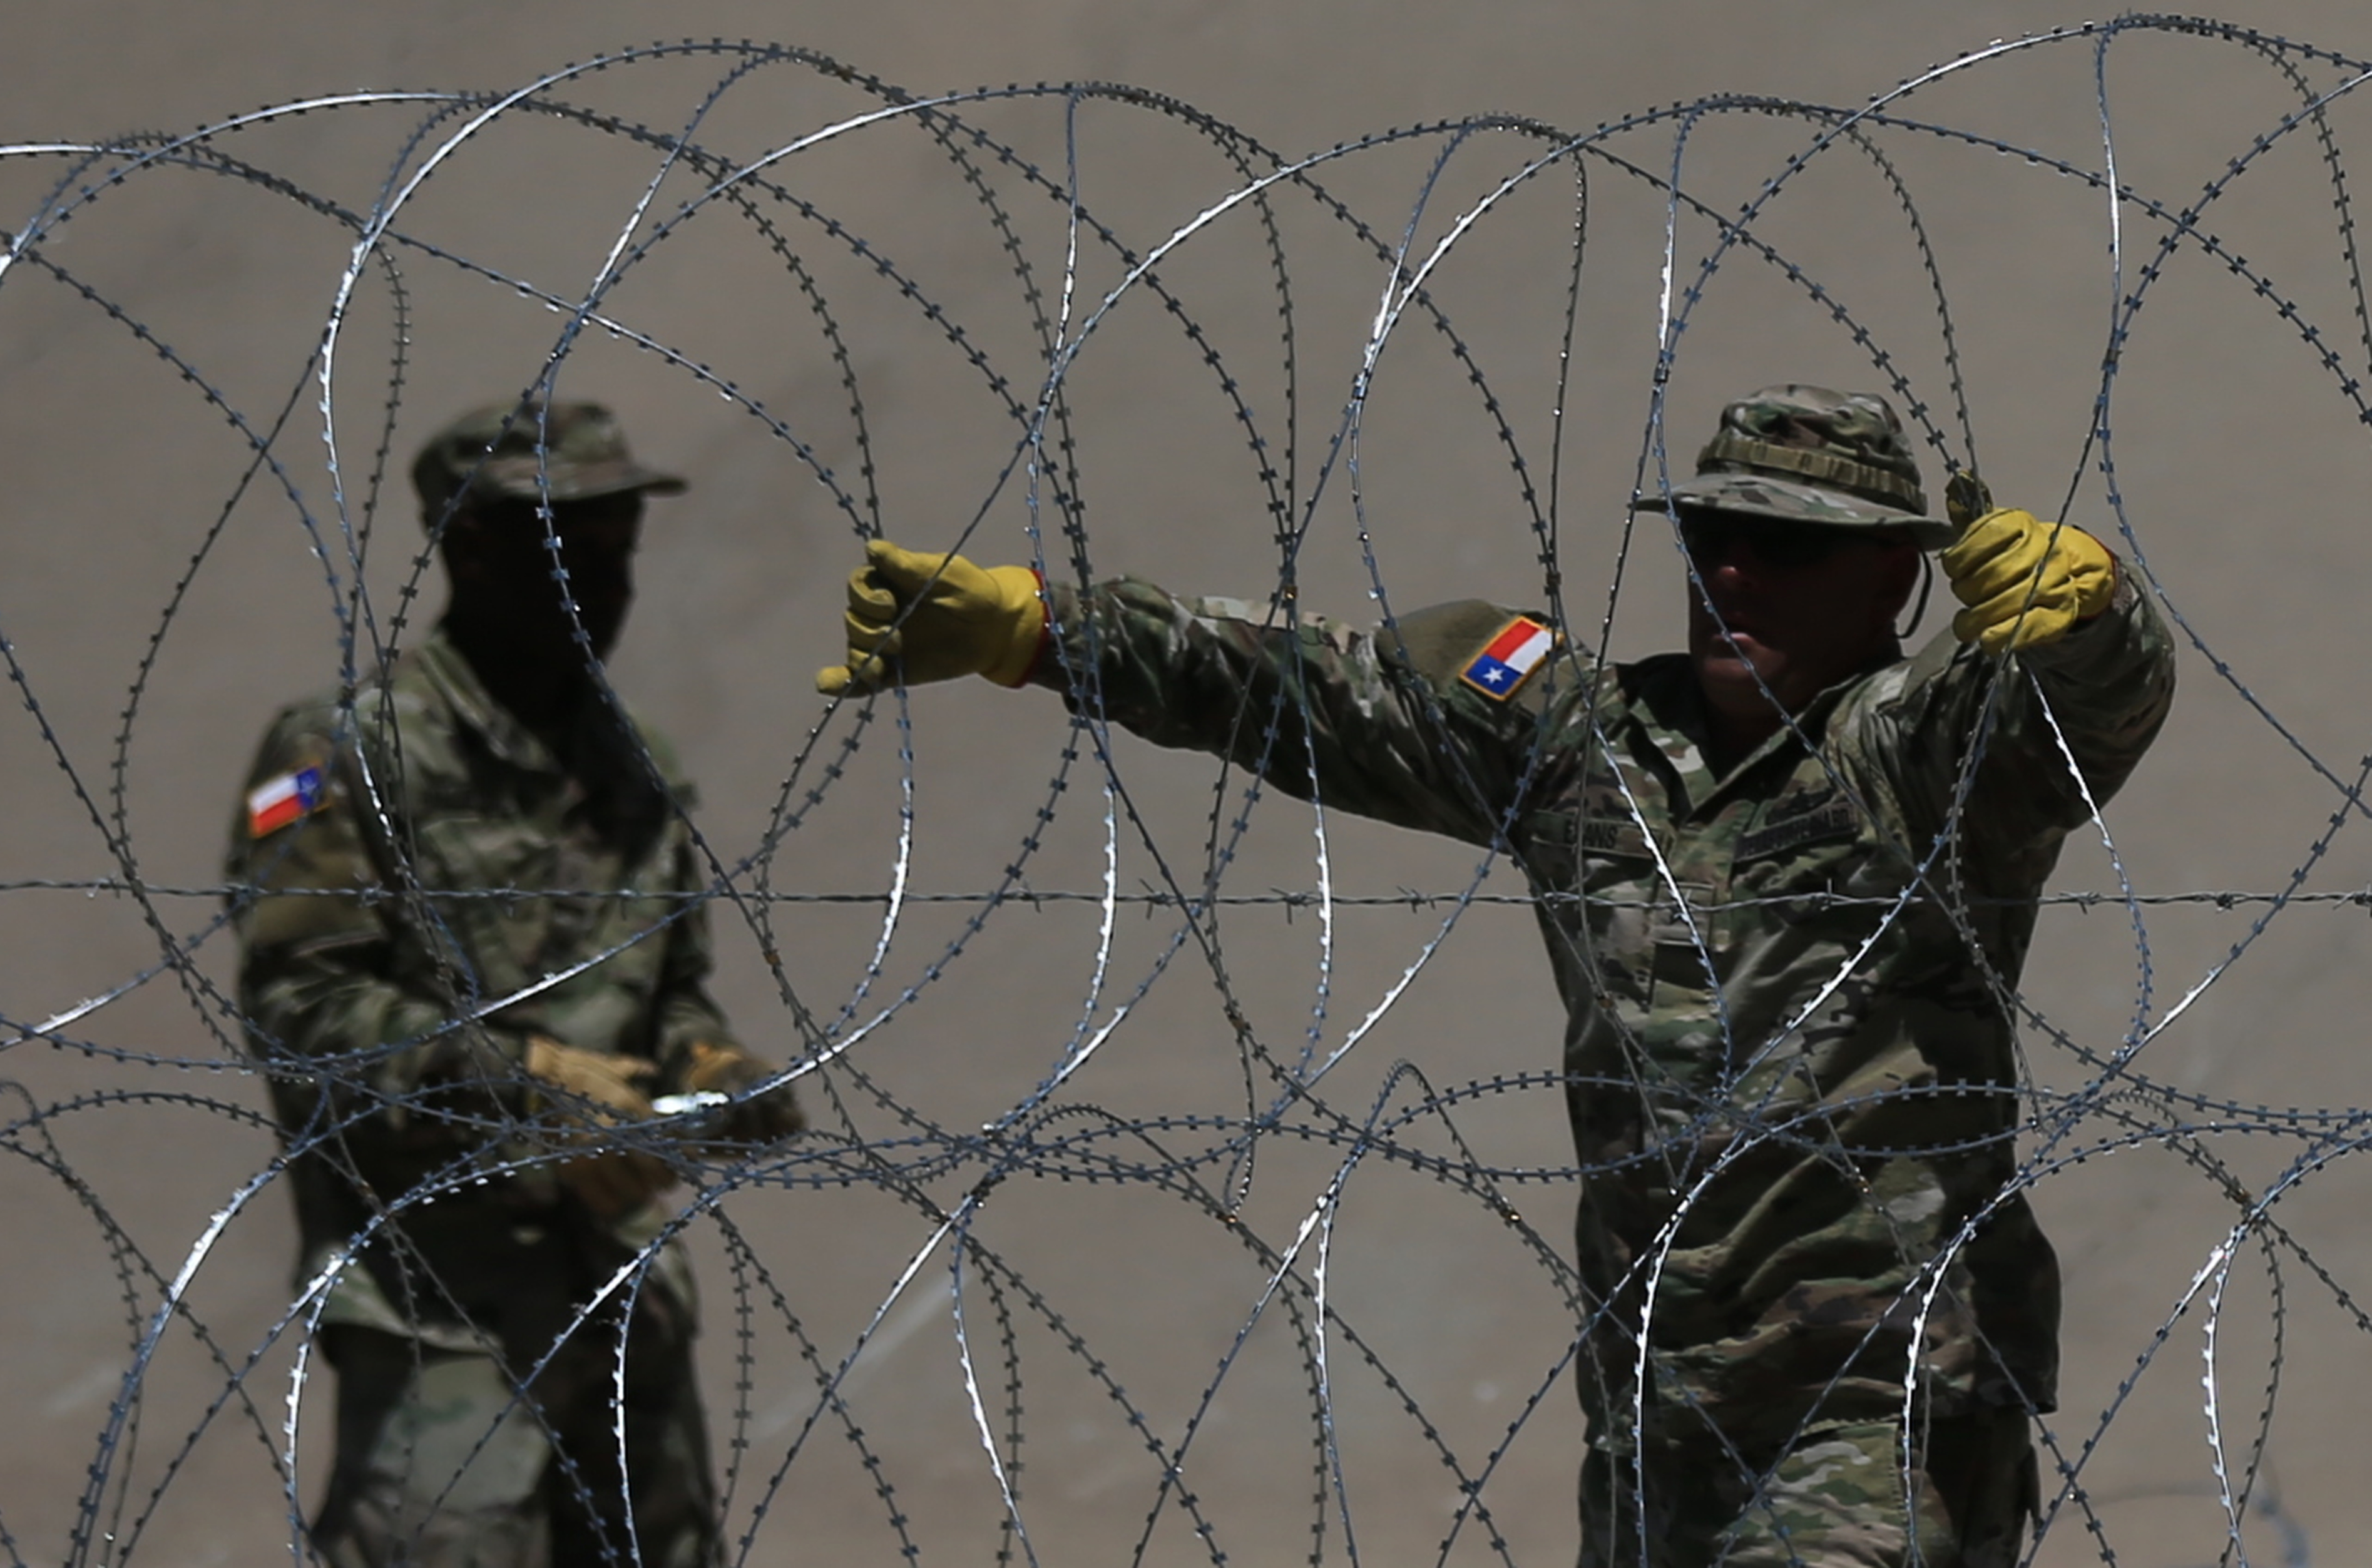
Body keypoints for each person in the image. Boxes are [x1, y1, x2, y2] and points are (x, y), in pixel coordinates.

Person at [811, 385, 2174, 1567]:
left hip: (1879, 1398)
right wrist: (1040, 630)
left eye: (1786, 545)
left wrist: (2091, 614)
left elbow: (2081, 707)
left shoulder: (1921, 756)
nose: (1734, 574)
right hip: (1659, 1396)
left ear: (1891, 580)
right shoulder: (1588, 745)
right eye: (1712, 537)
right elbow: (1308, 687)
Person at [227, 398, 802, 1568]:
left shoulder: (630, 764)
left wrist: (712, 1068)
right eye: (565, 554)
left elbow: (670, 985)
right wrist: (529, 1084)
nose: (600, 585)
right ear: (472, 552)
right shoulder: (344, 754)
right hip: (442, 1312)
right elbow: (304, 1005)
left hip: (619, 1287)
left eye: (615, 554)